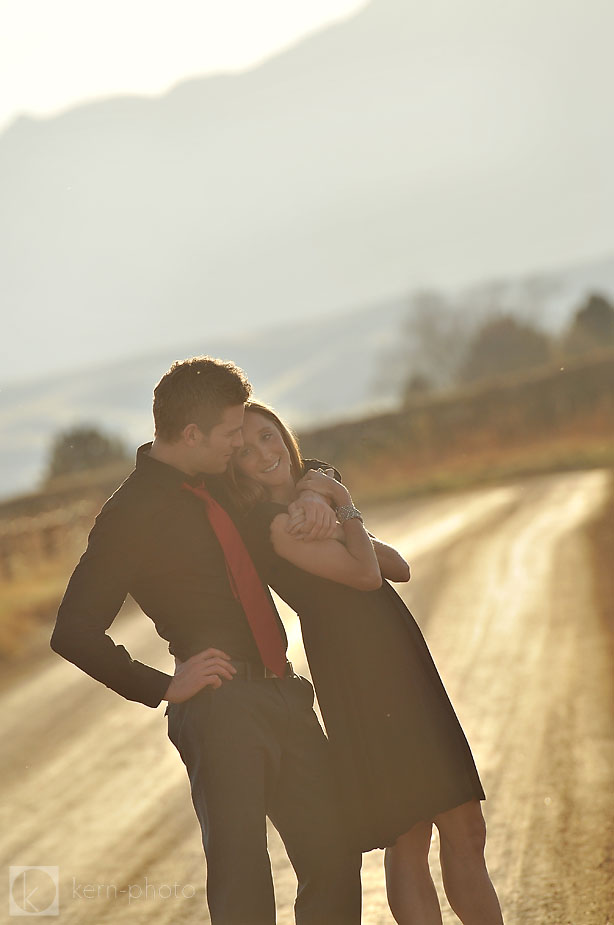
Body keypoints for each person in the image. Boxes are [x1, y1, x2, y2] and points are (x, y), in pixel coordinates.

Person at [49, 357, 362, 925]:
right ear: (190, 434)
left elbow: (294, 465)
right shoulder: (128, 515)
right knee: (243, 883)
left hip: (285, 695)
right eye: (229, 433)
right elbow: (72, 630)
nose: (240, 443)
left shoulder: (219, 475)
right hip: (220, 709)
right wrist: (164, 684)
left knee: (336, 856)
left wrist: (315, 493)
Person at [224, 400, 505, 925]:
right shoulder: (275, 527)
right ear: (234, 469)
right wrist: (343, 501)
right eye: (243, 451)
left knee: (466, 825)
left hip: (399, 660)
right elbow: (366, 575)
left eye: (267, 436)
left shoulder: (312, 501)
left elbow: (398, 564)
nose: (264, 453)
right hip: (360, 673)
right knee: (410, 831)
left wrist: (323, 496)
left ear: (283, 434)